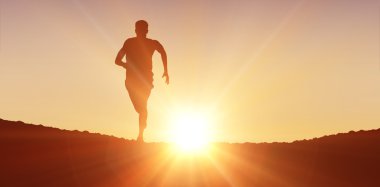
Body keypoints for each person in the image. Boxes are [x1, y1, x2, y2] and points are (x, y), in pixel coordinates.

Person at [115, 20, 169, 142]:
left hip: (146, 79)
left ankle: (140, 136)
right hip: (131, 80)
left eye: (144, 29)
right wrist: (126, 65)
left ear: (147, 30)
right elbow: (117, 60)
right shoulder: (128, 43)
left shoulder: (152, 43)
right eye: (140, 29)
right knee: (139, 108)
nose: (141, 31)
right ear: (135, 30)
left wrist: (166, 70)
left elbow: (163, 52)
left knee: (143, 106)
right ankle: (143, 119)